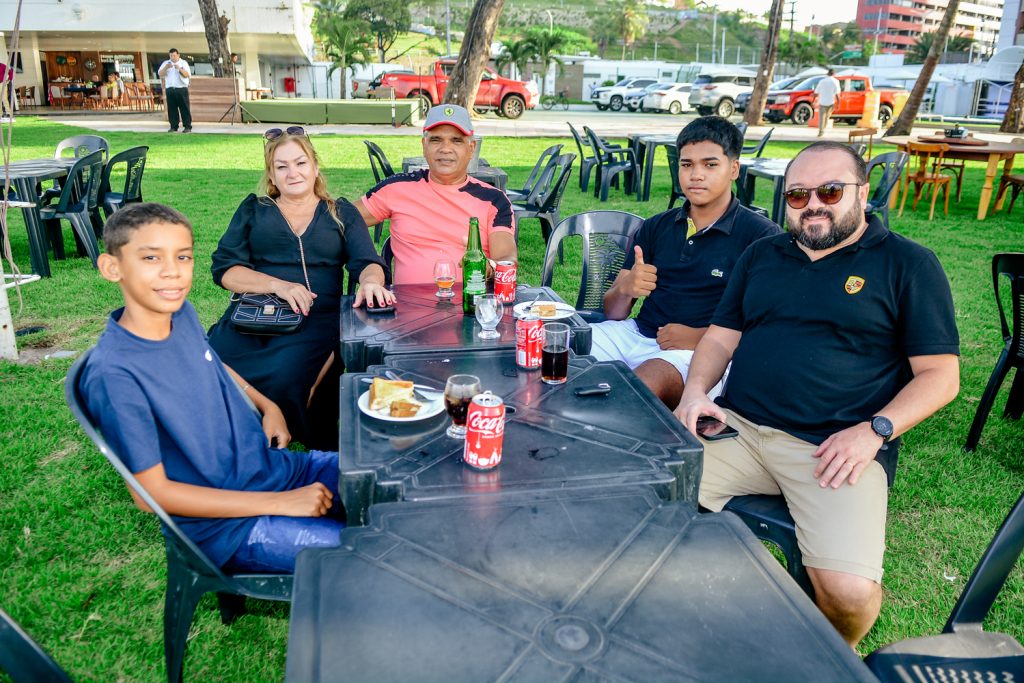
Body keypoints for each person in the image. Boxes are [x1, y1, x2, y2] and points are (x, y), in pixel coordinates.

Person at [675, 141, 960, 647]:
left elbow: (940, 375)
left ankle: (828, 655)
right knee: (638, 496)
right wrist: (696, 393)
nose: (813, 205)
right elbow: (721, 336)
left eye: (830, 191)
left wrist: (875, 432)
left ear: (863, 193)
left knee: (848, 594)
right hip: (737, 429)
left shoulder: (908, 265)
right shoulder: (762, 254)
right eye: (798, 194)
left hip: (835, 448)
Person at [80, 203, 345, 573]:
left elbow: (211, 360)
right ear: (112, 268)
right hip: (231, 526)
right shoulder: (115, 374)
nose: (172, 272)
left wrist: (269, 406)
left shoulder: (179, 314)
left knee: (388, 478)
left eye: (183, 256)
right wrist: (281, 504)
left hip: (275, 470)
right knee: (370, 555)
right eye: (151, 257)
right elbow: (149, 495)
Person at [207, 127, 391, 449]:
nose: (293, 173)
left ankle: (269, 439)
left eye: (300, 163)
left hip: (316, 317)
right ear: (272, 175)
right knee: (214, 360)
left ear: (315, 167)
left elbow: (367, 261)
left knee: (285, 374)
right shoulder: (254, 209)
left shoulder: (340, 211)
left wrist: (372, 281)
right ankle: (225, 437)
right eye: (282, 166)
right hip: (255, 312)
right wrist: (278, 285)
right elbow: (225, 269)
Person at [589, 116, 780, 408]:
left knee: (639, 388)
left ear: (734, 169)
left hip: (698, 354)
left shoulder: (761, 236)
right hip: (634, 333)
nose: (696, 174)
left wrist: (700, 337)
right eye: (687, 164)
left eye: (710, 164)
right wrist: (626, 288)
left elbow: (769, 326)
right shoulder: (656, 226)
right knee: (555, 349)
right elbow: (612, 312)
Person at [354, 104, 517, 284]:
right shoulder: (396, 188)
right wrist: (370, 265)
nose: (445, 148)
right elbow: (342, 221)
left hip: (472, 306)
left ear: (471, 148)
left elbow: (506, 257)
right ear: (424, 145)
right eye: (436, 140)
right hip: (409, 307)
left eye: (456, 140)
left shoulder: (494, 200)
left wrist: (487, 267)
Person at [159, 48, 192, 133]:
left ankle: (187, 126)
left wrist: (179, 69)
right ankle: (173, 126)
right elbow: (160, 74)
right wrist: (166, 67)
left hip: (181, 88)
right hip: (170, 89)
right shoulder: (166, 63)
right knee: (172, 108)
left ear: (178, 55)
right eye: (171, 56)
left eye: (174, 55)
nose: (172, 57)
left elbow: (187, 75)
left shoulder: (183, 63)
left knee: (184, 108)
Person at [814, 69, 841, 137]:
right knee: (827, 117)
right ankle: (823, 128)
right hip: (831, 102)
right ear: (833, 74)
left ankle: (821, 131)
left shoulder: (822, 81)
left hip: (822, 102)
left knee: (822, 117)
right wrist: (838, 103)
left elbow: (816, 92)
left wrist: (813, 100)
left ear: (827, 73)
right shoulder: (836, 81)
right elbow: (837, 94)